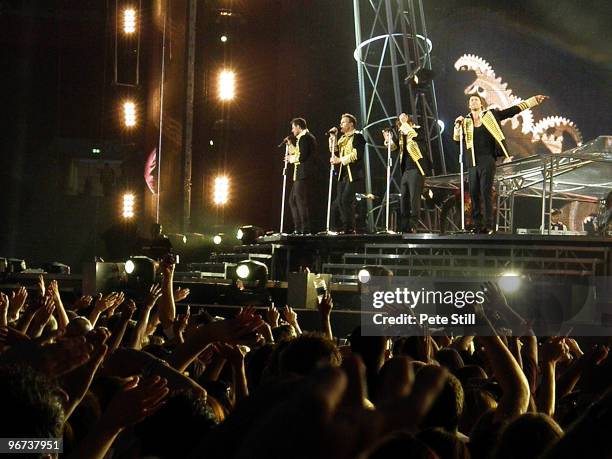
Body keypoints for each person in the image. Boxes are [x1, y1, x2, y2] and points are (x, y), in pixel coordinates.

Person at [454, 94, 549, 233]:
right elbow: (457, 140)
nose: (474, 101)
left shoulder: (491, 115)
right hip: (472, 161)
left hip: (487, 159)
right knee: (473, 193)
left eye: (476, 100)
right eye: (471, 100)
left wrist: (532, 101)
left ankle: (488, 225)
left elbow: (511, 111)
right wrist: (457, 125)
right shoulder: (465, 122)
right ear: (469, 105)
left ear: (481, 104)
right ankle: (477, 225)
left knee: (486, 192)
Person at [383, 113, 429, 233]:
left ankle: (413, 224)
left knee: (414, 198)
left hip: (417, 168)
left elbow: (415, 137)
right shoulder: (402, 134)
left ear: (410, 121)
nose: (401, 121)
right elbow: (394, 147)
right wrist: (388, 140)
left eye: (404, 118)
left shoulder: (418, 130)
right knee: (404, 198)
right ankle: (404, 226)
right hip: (405, 170)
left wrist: (404, 124)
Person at [329, 113, 366, 234]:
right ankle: (346, 228)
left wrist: (340, 160)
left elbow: (357, 154)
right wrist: (332, 138)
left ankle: (350, 228)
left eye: (343, 122)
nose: (341, 125)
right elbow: (334, 150)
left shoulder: (358, 136)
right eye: (341, 123)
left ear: (351, 124)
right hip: (342, 174)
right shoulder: (342, 138)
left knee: (346, 200)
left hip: (354, 174)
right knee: (340, 201)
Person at [285, 118, 317, 235]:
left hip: (304, 173)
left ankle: (304, 229)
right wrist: (290, 145)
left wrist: (291, 159)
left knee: (300, 201)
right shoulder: (302, 138)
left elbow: (302, 156)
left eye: (293, 127)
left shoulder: (306, 137)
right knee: (292, 200)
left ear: (299, 127)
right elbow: (298, 153)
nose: (292, 130)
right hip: (299, 174)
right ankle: (298, 228)